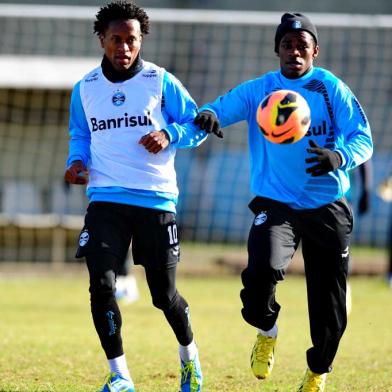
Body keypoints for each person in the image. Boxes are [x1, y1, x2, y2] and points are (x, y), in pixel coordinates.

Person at [194, 12, 373, 391]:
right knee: (260, 272)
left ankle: (318, 371)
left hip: (327, 206)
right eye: (288, 45)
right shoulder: (261, 89)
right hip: (277, 205)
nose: (295, 51)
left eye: (302, 45)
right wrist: (210, 114)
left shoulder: (331, 89)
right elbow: (222, 106)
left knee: (329, 308)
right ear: (277, 49)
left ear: (315, 52)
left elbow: (363, 138)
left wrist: (337, 157)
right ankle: (267, 330)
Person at [64, 2, 205, 391]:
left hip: (156, 201)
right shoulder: (85, 88)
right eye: (116, 40)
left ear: (141, 41)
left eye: (131, 40)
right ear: (102, 40)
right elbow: (81, 134)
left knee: (164, 296)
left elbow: (197, 125)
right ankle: (119, 375)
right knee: (102, 286)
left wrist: (169, 135)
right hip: (105, 200)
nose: (124, 48)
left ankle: (190, 357)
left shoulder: (161, 82)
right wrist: (76, 161)